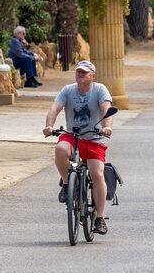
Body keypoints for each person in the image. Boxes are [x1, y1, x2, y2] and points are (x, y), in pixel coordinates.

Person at [44, 59, 114, 235]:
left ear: (92, 76)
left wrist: (107, 126)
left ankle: (100, 217)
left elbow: (107, 109)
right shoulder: (68, 90)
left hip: (94, 137)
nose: (80, 75)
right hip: (72, 135)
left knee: (97, 174)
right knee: (60, 149)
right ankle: (67, 184)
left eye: (84, 72)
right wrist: (49, 126)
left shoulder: (99, 89)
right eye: (78, 72)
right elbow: (54, 108)